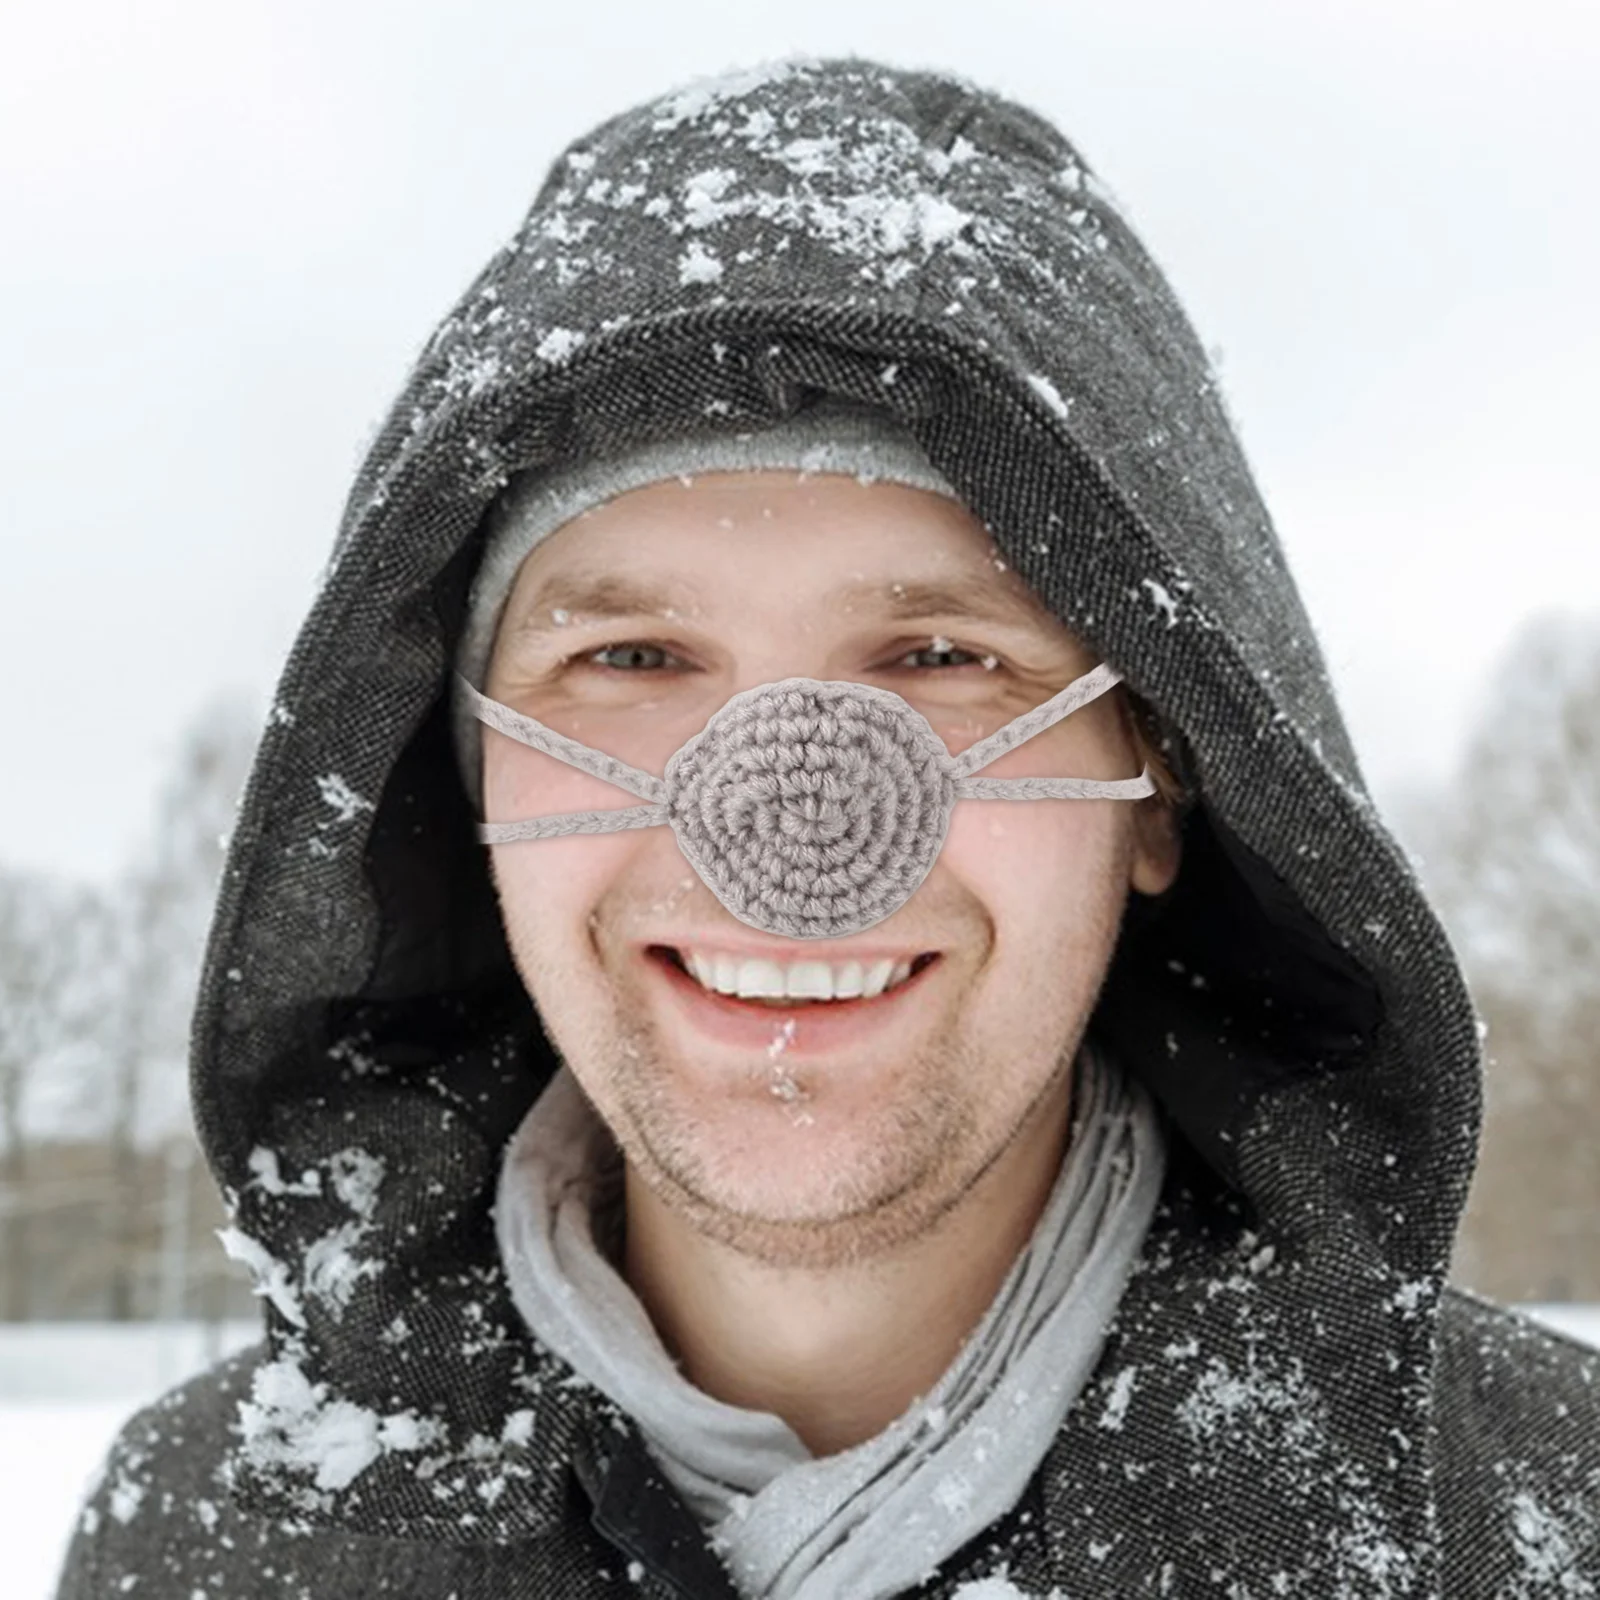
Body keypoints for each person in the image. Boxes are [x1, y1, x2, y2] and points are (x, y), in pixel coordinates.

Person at [57, 56, 1597, 1599]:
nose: (778, 828)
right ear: (471, 791)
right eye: (632, 659)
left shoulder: (1547, 1523)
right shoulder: (196, 1540)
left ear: (1165, 776)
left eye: (941, 658)